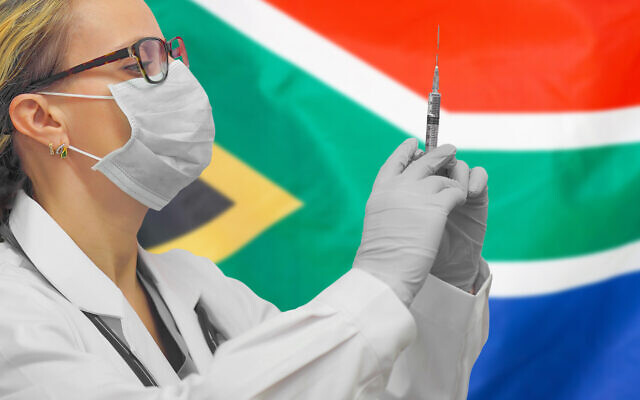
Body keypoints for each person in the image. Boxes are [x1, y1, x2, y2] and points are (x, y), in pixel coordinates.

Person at [0, 0, 491, 399]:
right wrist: (378, 276)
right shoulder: (12, 313)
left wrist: (438, 284)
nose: (173, 78)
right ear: (43, 119)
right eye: (139, 61)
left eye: (168, 54)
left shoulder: (201, 288)